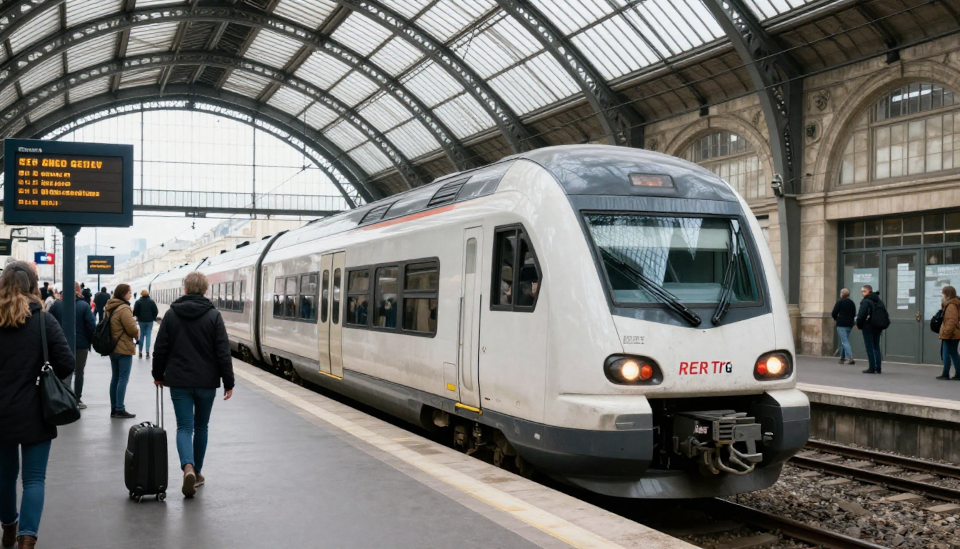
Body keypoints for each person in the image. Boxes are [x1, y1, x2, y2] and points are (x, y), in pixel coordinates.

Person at [0, 261, 74, 549]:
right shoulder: (44, 321)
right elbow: (67, 364)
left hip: (1, 414)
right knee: (33, 479)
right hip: (36, 412)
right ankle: (27, 538)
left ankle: (8, 525)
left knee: (5, 477)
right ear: (33, 285)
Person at [152, 272, 234, 498]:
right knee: (202, 427)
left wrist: (158, 374)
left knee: (184, 427)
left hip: (179, 381)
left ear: (185, 289)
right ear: (205, 290)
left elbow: (161, 349)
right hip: (206, 382)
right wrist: (228, 381)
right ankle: (197, 472)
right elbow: (222, 351)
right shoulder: (214, 316)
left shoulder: (171, 315)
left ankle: (187, 466)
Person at [48, 282, 95, 409]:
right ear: (78, 291)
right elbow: (91, 326)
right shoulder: (84, 306)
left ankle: (63, 398)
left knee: (63, 371)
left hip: (60, 344)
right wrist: (90, 341)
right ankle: (77, 399)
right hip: (81, 345)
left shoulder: (57, 305)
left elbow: (49, 323)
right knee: (79, 372)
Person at [105, 284, 139, 419]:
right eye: (129, 292)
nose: (131, 295)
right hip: (123, 348)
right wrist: (137, 331)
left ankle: (114, 407)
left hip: (113, 347)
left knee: (115, 378)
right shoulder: (124, 308)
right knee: (123, 378)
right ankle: (120, 408)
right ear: (124, 294)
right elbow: (131, 329)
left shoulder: (110, 307)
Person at [855, 285, 885, 374]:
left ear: (869, 291)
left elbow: (861, 315)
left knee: (869, 347)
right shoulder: (879, 301)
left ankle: (871, 367)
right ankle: (878, 367)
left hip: (868, 326)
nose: (862, 293)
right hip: (878, 326)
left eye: (864, 291)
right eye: (862, 291)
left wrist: (859, 325)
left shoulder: (866, 301)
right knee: (876, 346)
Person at [937, 285, 960, 380]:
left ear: (947, 294)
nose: (942, 295)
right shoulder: (952, 303)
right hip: (954, 333)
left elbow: (951, 321)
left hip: (951, 334)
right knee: (953, 353)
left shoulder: (951, 305)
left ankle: (946, 373)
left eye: (943, 293)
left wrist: (946, 333)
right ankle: (957, 373)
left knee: (946, 354)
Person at [831, 288, 856, 365]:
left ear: (842, 294)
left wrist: (836, 318)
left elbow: (834, 313)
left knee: (844, 341)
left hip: (841, 324)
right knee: (844, 340)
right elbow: (854, 313)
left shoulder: (840, 302)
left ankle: (850, 357)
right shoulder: (851, 302)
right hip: (849, 324)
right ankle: (842, 357)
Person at [133, 290, 159, 359]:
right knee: (148, 335)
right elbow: (155, 311)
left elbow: (135, 311)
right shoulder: (151, 302)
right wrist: (153, 318)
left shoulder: (138, 302)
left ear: (141, 295)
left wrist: (139, 317)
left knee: (141, 335)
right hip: (149, 321)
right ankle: (147, 352)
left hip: (141, 321)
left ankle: (140, 352)